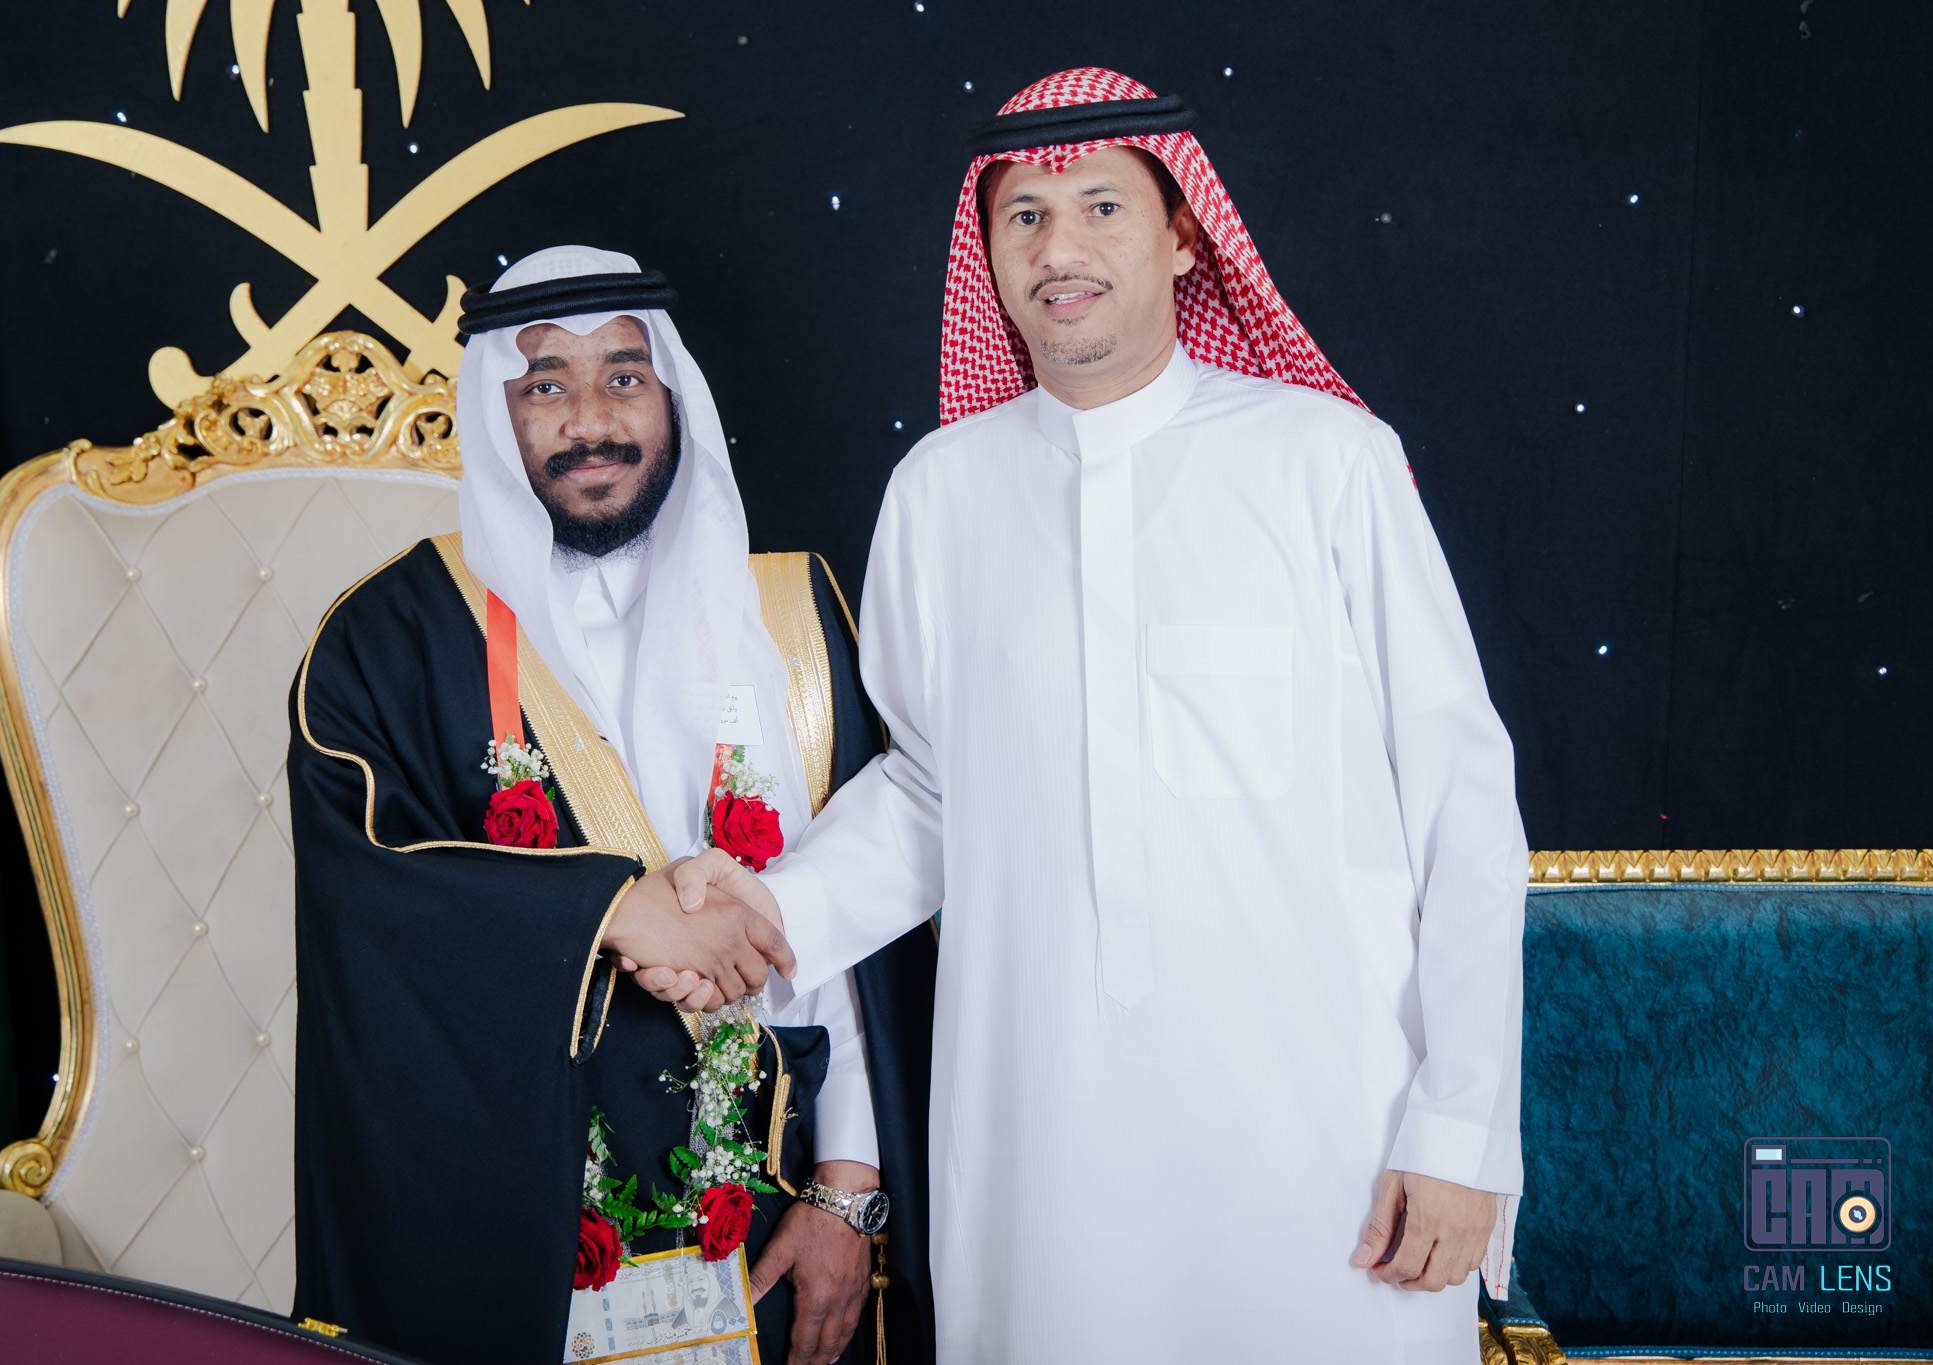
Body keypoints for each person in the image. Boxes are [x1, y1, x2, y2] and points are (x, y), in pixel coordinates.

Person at [641, 69, 1527, 1362]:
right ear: (988, 258)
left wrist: (1459, 1129)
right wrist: (766, 915)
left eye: (1102, 206)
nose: (1059, 248)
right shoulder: (940, 494)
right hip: (1044, 1144)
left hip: (1333, 1145)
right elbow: (934, 791)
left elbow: (1461, 803)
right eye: (1024, 216)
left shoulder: (1326, 462)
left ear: (1183, 236)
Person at [288, 245, 936, 1365]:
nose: (589, 420)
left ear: (673, 395)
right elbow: (365, 895)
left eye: (623, 377)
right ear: (496, 414)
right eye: (545, 384)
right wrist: (610, 909)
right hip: (520, 1240)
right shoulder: (390, 641)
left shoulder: (792, 617)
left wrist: (847, 1188)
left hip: (776, 1221)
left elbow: (859, 940)